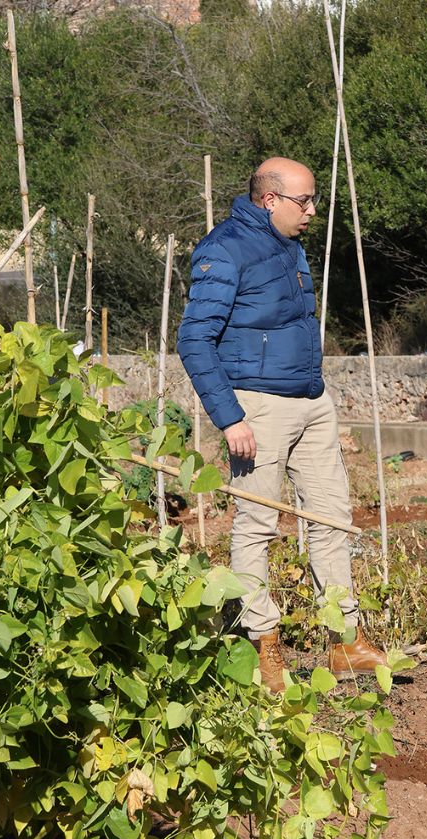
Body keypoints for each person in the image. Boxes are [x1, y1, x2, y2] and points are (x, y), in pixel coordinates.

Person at [177, 157, 388, 693]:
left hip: (310, 401)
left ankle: (343, 639)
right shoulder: (223, 251)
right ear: (270, 200)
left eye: (314, 199)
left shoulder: (290, 246)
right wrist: (230, 418)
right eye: (304, 201)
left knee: (331, 518)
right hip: (257, 409)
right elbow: (194, 339)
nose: (313, 211)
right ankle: (262, 646)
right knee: (257, 525)